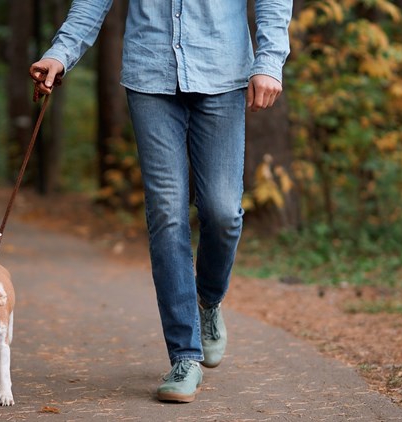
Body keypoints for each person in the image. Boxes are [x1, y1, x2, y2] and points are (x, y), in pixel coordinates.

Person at [30, 0, 292, 403]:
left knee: (223, 212)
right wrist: (59, 54)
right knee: (167, 213)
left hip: (223, 71)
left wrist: (269, 61)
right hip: (150, 75)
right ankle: (184, 357)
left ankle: (207, 299)